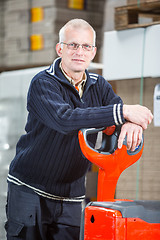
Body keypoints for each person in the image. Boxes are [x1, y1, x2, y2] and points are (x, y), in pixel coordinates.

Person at [5, 19, 153, 240]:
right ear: (60, 49)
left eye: (86, 46)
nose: (79, 52)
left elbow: (120, 114)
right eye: (73, 45)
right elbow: (64, 119)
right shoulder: (43, 83)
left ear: (93, 52)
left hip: (71, 194)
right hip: (31, 189)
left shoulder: (99, 85)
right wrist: (123, 112)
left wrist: (130, 122)